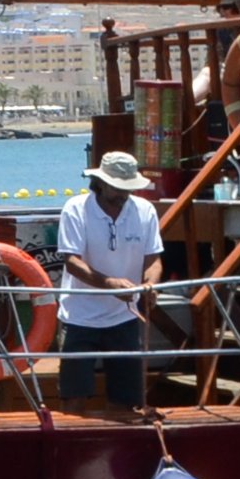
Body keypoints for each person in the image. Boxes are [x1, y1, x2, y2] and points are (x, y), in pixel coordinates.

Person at [56, 149, 163, 413]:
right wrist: (110, 284)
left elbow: (153, 259)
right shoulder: (75, 209)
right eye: (117, 187)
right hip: (79, 318)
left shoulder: (145, 210)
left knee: (126, 403)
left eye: (128, 187)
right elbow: (72, 262)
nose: (123, 194)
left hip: (124, 317)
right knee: (74, 399)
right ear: (101, 183)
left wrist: (150, 285)